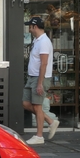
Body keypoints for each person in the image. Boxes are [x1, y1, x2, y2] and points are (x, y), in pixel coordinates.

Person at [23, 16, 59, 145]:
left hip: (39, 78)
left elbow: (44, 64)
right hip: (32, 77)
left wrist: (40, 83)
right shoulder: (37, 40)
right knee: (26, 103)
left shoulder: (44, 41)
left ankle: (39, 136)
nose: (29, 28)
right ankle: (50, 121)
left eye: (30, 26)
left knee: (37, 106)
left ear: (35, 27)